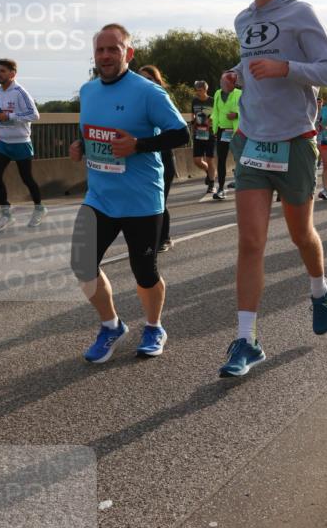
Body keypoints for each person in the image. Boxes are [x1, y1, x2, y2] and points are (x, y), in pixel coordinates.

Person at [219, 0, 327, 378]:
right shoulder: (242, 19)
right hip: (253, 141)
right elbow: (252, 58)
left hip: (294, 141)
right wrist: (235, 74)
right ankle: (246, 339)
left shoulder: (299, 13)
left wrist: (286, 68)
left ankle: (318, 288)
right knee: (250, 242)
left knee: (301, 235)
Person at [69, 24, 189, 362]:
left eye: (113, 49)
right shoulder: (88, 90)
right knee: (82, 262)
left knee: (145, 271)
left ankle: (154, 326)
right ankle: (111, 326)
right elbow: (91, 133)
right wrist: (81, 146)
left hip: (140, 198)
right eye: (100, 50)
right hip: (100, 196)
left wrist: (139, 145)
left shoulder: (148, 91)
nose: (106, 56)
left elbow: (181, 134)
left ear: (128, 53)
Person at [0, 58, 45, 232]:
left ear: (12, 74)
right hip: (3, 142)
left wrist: (11, 118)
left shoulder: (20, 92)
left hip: (21, 142)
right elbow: (1, 115)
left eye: (3, 71)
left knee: (26, 179)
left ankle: (39, 208)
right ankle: (6, 214)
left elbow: (34, 115)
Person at [138, 65, 177, 250]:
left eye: (149, 78)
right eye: (141, 78)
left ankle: (165, 238)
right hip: (145, 162)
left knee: (160, 200)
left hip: (164, 160)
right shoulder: (135, 101)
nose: (145, 82)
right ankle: (149, 238)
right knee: (148, 201)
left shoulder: (162, 100)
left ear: (157, 81)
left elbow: (177, 133)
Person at [211, 72, 242, 200]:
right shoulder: (218, 93)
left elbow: (247, 109)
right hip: (222, 131)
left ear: (233, 82)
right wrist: (212, 123)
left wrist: (236, 115)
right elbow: (215, 110)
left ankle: (242, 185)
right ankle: (221, 188)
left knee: (238, 159)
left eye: (224, 82)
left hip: (236, 131)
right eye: (221, 81)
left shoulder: (239, 94)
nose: (221, 84)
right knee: (221, 160)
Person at [191, 80, 216, 192]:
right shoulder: (194, 101)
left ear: (206, 90)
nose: (198, 92)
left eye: (200, 90)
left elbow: (218, 115)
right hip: (198, 134)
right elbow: (193, 114)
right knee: (197, 160)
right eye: (196, 90)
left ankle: (212, 184)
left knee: (209, 159)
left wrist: (212, 121)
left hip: (210, 134)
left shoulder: (212, 101)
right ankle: (209, 172)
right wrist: (193, 123)